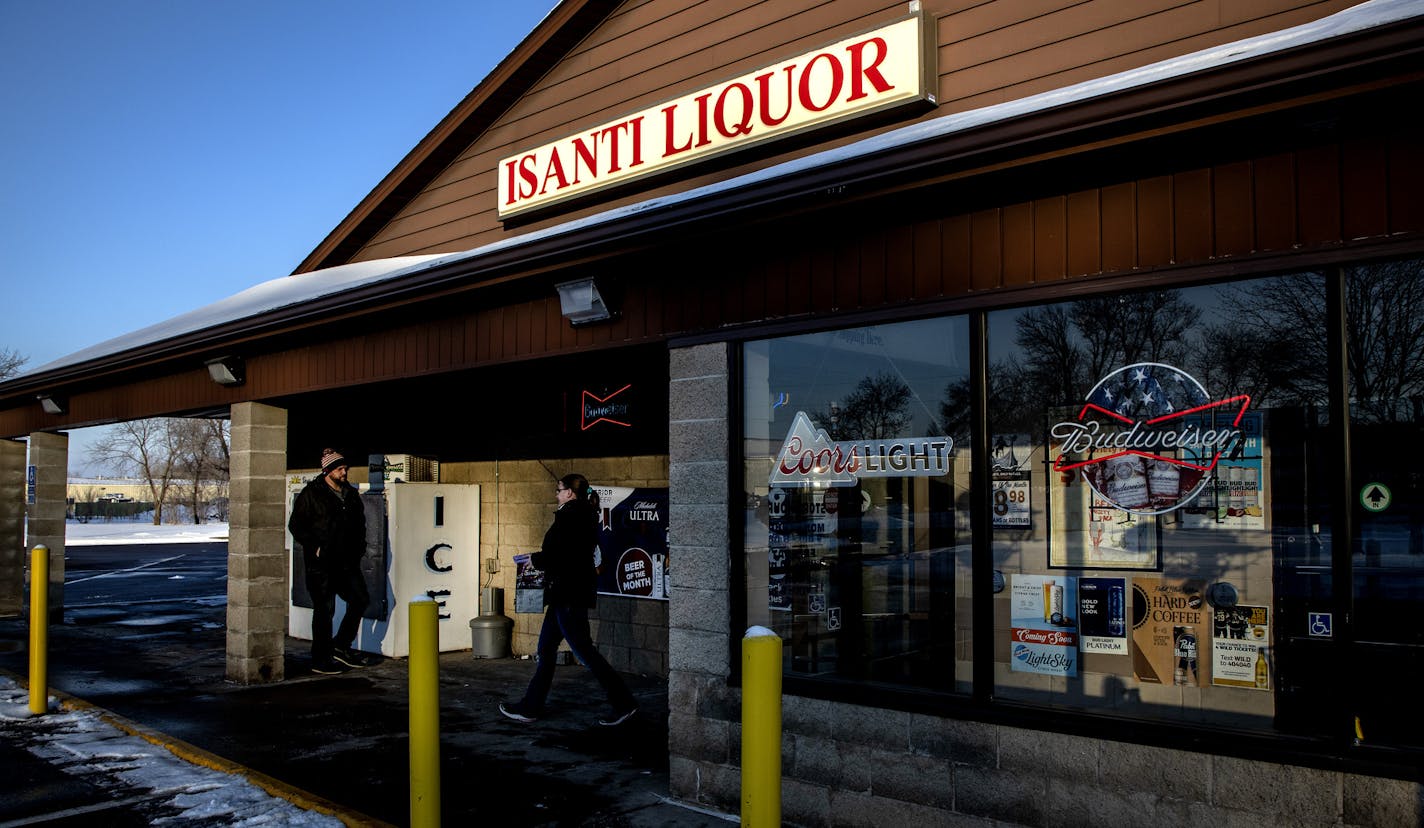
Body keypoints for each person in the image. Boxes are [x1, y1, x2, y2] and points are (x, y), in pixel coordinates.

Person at [499, 473, 638, 726]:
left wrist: (537, 560)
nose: (556, 493)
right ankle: (531, 707)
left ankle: (624, 703)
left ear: (570, 493)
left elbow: (562, 554)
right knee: (546, 650)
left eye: (559, 489)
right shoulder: (580, 514)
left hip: (569, 595)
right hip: (565, 594)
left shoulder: (571, 516)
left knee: (584, 651)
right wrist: (542, 558)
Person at [288, 448, 375, 674]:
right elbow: (296, 525)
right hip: (321, 565)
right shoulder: (312, 494)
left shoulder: (350, 493)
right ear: (328, 471)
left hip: (347, 562)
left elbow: (359, 524)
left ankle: (340, 646)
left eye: (345, 468)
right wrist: (315, 547)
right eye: (339, 469)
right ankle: (320, 659)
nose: (344, 472)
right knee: (325, 610)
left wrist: (360, 548)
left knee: (360, 599)